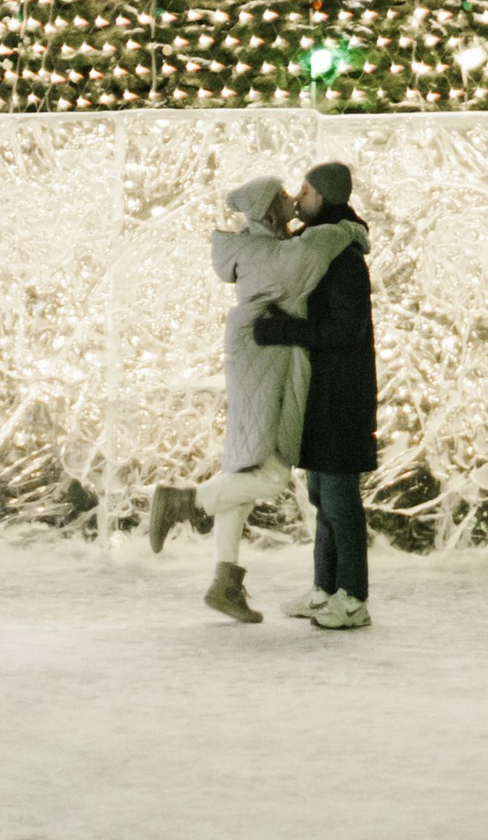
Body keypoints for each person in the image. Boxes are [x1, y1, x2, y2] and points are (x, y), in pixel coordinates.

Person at [148, 175, 364, 623]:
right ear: (268, 211)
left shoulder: (260, 246)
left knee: (243, 472)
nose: (293, 200)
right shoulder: (271, 253)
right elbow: (309, 251)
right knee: (269, 476)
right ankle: (187, 502)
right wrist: (350, 229)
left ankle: (225, 582)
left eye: (300, 192)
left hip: (264, 352)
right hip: (263, 353)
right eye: (286, 197)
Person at [253, 157, 377, 632]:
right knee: (324, 493)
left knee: (341, 498)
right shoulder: (322, 247)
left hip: (342, 394)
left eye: (305, 191)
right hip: (325, 389)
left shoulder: (341, 256)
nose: (297, 199)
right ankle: (326, 589)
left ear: (325, 196)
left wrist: (287, 330)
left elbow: (346, 329)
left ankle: (353, 596)